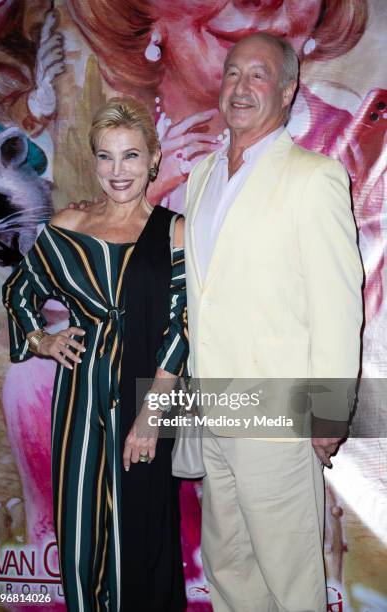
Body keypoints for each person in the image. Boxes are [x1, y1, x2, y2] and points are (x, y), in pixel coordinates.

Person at [183, 33, 363, 611]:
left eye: (258, 76)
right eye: (232, 73)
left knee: (291, 580)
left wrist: (330, 411)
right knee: (228, 568)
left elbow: (339, 303)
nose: (240, 86)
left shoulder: (314, 177)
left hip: (278, 415)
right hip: (214, 409)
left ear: (287, 92)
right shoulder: (201, 177)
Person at [2, 96, 188, 612]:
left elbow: (183, 327)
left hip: (144, 399)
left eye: (130, 156)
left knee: (141, 540)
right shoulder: (68, 226)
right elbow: (19, 291)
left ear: (153, 158)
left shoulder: (174, 231)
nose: (117, 170)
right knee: (81, 534)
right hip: (79, 399)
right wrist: (43, 339)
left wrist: (152, 416)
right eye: (105, 156)